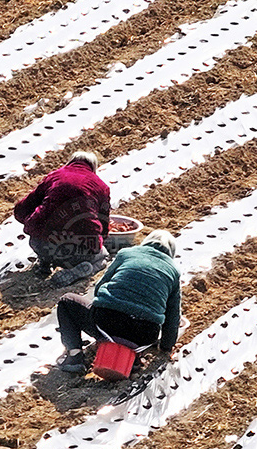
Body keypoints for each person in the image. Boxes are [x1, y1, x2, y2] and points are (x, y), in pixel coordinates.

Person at [54, 229, 182, 374]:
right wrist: (166, 347)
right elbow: (172, 317)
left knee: (66, 301)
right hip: (144, 335)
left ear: (145, 243)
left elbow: (100, 286)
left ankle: (74, 357)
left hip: (108, 322)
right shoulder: (173, 271)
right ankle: (133, 357)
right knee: (142, 321)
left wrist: (102, 307)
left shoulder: (127, 254)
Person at [13, 151, 111, 285]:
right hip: (74, 253)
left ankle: (44, 264)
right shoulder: (101, 187)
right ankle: (76, 272)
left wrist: (30, 222)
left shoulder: (55, 176)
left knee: (46, 230)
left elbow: (23, 207)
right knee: (103, 257)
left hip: (40, 244)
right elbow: (103, 222)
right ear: (93, 167)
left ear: (71, 162)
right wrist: (99, 242)